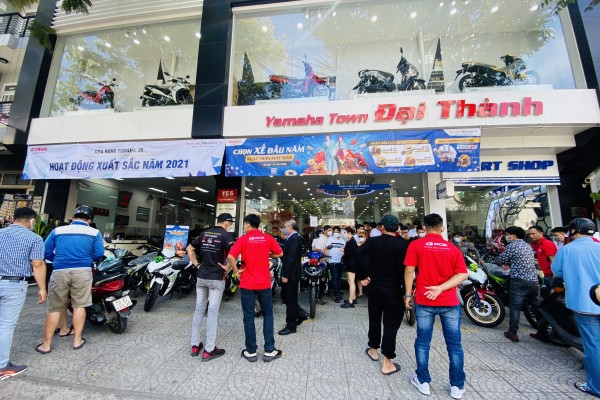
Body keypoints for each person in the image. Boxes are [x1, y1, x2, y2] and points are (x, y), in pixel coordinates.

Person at [404, 213, 468, 399]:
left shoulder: (416, 245)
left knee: (423, 342)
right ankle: (457, 386)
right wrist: (441, 288)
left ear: (424, 228)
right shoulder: (453, 248)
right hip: (449, 302)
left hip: (424, 301)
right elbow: (462, 274)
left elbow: (409, 271)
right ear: (442, 228)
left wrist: (408, 295)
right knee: (454, 345)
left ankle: (423, 381)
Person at [37, 205, 104, 354]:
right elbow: (99, 253)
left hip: (59, 270)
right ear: (90, 220)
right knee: (79, 305)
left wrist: (58, 259)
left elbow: (45, 251)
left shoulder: (58, 231)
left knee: (55, 307)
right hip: (83, 271)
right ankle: (77, 340)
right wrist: (86, 259)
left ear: (73, 218)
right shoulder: (95, 232)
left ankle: (46, 345)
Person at [551, 218, 600, 398]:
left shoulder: (567, 250)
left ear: (573, 231)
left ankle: (596, 386)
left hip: (584, 303)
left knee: (593, 345)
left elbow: (557, 271)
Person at [226, 214, 283, 362]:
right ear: (258, 224)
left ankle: (251, 351)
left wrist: (236, 271)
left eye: (245, 224)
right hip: (264, 283)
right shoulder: (267, 238)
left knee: (248, 316)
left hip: (247, 284)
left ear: (247, 224)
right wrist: (267, 254)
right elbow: (280, 253)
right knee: (268, 315)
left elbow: (231, 256)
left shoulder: (243, 239)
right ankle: (269, 350)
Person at [357, 215, 408, 375]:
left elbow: (357, 254)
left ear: (382, 228)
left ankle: (373, 349)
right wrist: (407, 292)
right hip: (394, 290)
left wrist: (363, 276)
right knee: (391, 324)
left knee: (374, 319)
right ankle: (387, 362)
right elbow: (407, 270)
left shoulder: (373, 241)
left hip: (375, 288)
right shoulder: (403, 245)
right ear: (397, 228)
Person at [0, 208, 47, 380]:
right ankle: (2, 367)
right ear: (32, 221)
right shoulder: (34, 238)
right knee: (6, 325)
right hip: (14, 285)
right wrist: (42, 288)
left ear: (14, 218)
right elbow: (37, 264)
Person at [186, 213, 235, 361]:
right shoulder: (226, 235)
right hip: (216, 278)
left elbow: (189, 249)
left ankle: (195, 345)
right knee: (212, 313)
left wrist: (197, 265)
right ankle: (209, 349)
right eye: (230, 222)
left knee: (199, 310)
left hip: (201, 276)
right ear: (226, 222)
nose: (230, 225)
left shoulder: (204, 233)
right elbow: (233, 254)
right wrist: (228, 267)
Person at [495, 226, 541, 343]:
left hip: (519, 281)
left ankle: (513, 332)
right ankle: (542, 331)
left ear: (513, 236)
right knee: (536, 307)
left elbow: (502, 260)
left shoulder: (512, 245)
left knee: (515, 307)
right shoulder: (527, 245)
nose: (506, 237)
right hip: (533, 281)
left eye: (507, 234)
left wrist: (491, 261)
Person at [278, 220, 308, 335]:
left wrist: (285, 275)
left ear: (290, 227)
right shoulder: (291, 238)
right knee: (284, 296)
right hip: (290, 272)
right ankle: (300, 313)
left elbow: (291, 258)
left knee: (290, 299)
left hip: (291, 274)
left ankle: (291, 325)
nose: (284, 229)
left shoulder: (295, 238)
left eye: (285, 227)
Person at [528, 226, 557, 296]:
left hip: (552, 276)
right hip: (546, 275)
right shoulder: (538, 244)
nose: (531, 236)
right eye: (529, 234)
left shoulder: (547, 243)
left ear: (541, 233)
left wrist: (555, 278)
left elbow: (554, 261)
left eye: (533, 234)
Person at [325, 226, 345, 303]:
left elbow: (344, 250)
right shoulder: (330, 239)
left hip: (340, 261)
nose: (336, 233)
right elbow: (326, 248)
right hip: (332, 261)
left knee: (338, 278)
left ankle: (331, 290)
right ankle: (337, 295)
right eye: (334, 232)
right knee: (335, 277)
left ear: (340, 232)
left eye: (337, 232)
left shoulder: (343, 241)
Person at [341, 227, 359, 308]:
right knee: (350, 281)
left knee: (351, 282)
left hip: (351, 263)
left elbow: (351, 253)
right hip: (350, 263)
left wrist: (343, 252)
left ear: (349, 233)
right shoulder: (350, 241)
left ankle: (350, 301)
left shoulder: (352, 241)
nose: (344, 234)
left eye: (345, 232)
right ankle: (353, 298)